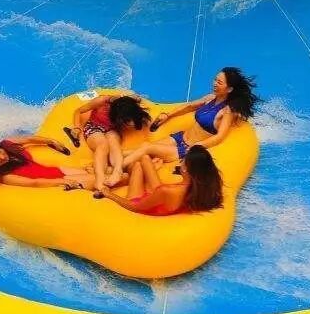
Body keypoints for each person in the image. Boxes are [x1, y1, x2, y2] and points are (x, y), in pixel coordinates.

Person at [123, 68, 259, 166]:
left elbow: (220, 136)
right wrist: (168, 115)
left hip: (186, 149)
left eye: (220, 82)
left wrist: (195, 147)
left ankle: (117, 170)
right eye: (215, 80)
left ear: (229, 89)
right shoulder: (210, 98)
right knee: (141, 150)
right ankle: (113, 161)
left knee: (147, 148)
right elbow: (189, 106)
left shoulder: (227, 111)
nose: (215, 84)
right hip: (180, 138)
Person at [93, 146, 223, 216]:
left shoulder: (167, 190)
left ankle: (115, 172)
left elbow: (135, 207)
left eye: (183, 160)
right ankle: (120, 173)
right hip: (161, 201)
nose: (180, 162)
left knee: (137, 166)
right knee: (145, 158)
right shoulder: (200, 186)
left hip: (143, 204)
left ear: (186, 169)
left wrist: (108, 194)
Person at [66, 95, 151, 190]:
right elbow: (78, 111)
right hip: (94, 126)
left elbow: (137, 101)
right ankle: (99, 180)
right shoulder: (102, 101)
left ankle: (117, 172)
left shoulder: (127, 104)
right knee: (103, 145)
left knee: (114, 143)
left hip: (111, 130)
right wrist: (77, 127)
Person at [0, 136, 101, 189]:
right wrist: (62, 181)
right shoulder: (5, 176)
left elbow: (29, 139)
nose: (2, 157)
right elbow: (33, 183)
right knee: (99, 179)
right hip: (54, 180)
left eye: (0, 152)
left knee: (96, 171)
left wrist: (51, 141)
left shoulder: (8, 144)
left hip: (55, 171)